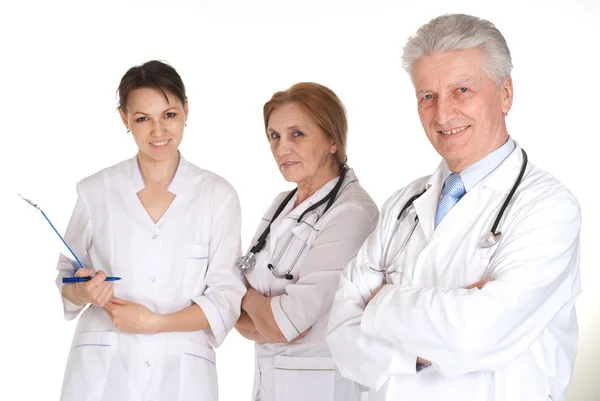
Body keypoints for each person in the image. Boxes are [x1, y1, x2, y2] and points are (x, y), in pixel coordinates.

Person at [326, 14, 582, 401]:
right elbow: (341, 336)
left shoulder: (548, 207)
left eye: (462, 90)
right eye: (427, 96)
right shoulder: (402, 204)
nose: (443, 114)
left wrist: (380, 301)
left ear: (506, 94)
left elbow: (473, 335)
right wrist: (425, 344)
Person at [56, 60, 245, 401]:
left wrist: (155, 323)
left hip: (183, 372)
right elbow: (66, 280)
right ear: (124, 119)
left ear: (186, 110)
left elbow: (226, 297)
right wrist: (85, 291)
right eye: (143, 118)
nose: (158, 132)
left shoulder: (217, 195)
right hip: (102, 368)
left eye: (169, 115)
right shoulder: (96, 190)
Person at [234, 82, 378, 401]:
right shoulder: (281, 203)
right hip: (269, 385)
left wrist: (245, 298)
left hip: (325, 387)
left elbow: (282, 325)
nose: (282, 148)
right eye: (274, 136)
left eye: (297, 133)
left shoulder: (351, 213)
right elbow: (242, 319)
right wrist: (261, 309)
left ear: (332, 140)